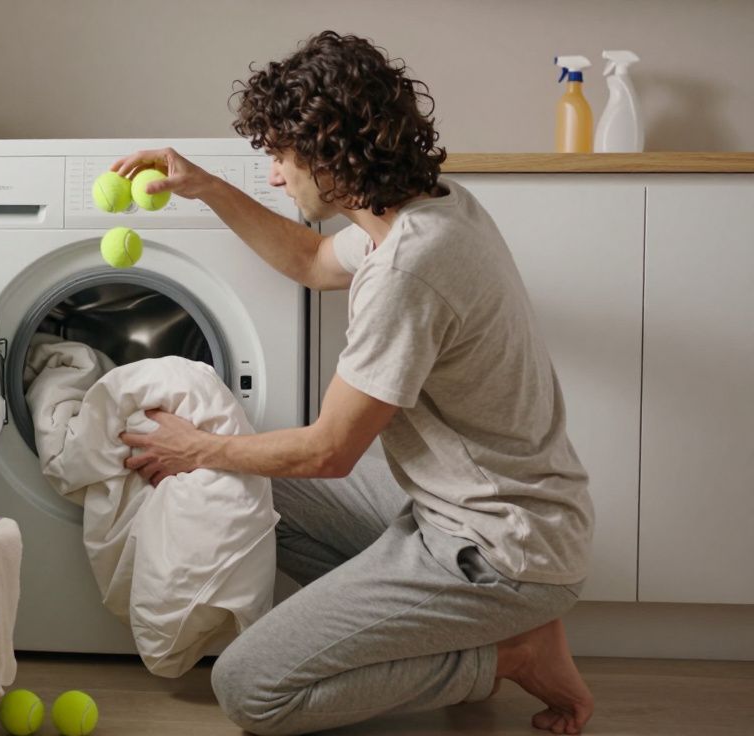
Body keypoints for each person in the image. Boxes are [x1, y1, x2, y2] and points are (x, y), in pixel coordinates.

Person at [111, 31, 596, 735]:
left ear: (331, 149)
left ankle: (507, 653)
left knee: (248, 688)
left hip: (498, 550)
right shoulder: (432, 206)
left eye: (281, 156)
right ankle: (458, 624)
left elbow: (328, 452)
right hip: (474, 512)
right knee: (256, 485)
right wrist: (205, 187)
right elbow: (310, 259)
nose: (275, 176)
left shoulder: (409, 268)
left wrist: (196, 449)